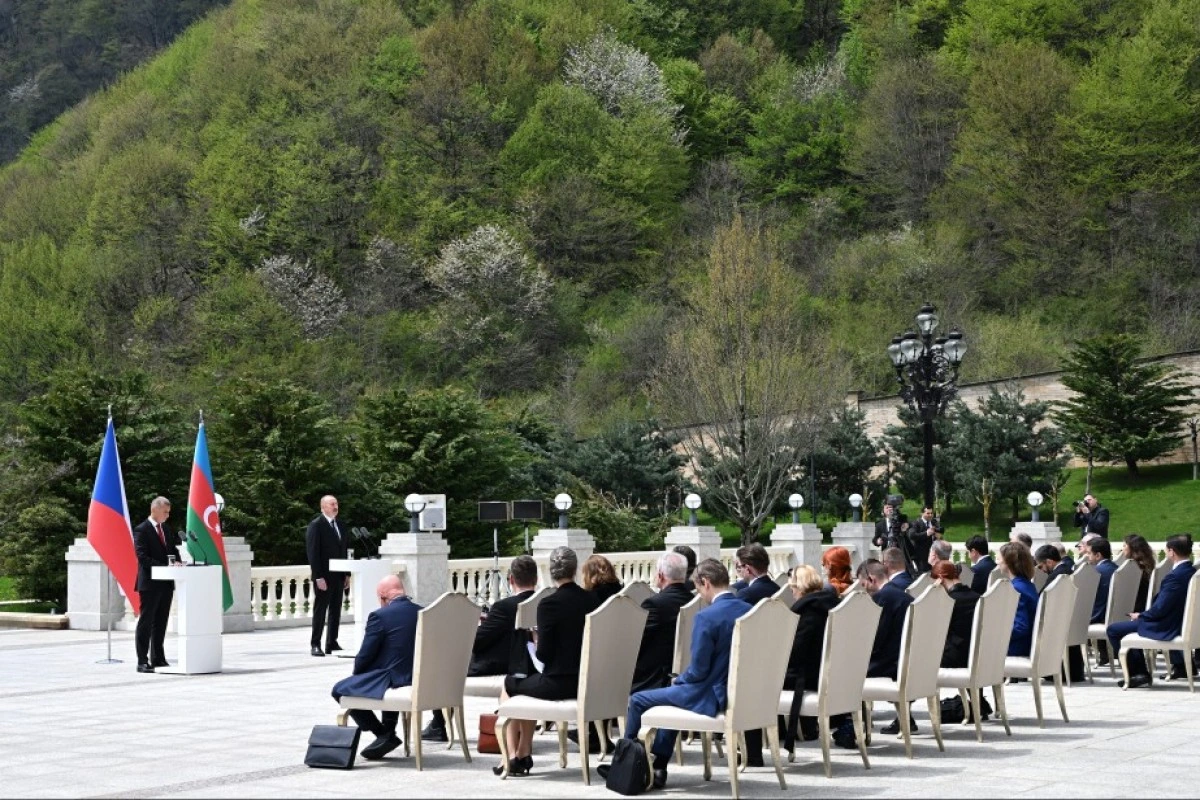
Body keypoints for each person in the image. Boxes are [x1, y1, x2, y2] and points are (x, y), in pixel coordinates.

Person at [602, 559, 751, 790]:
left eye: (699, 588)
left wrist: (680, 679)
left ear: (706, 582)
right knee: (672, 699)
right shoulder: (750, 610)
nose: (699, 594)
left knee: (639, 699)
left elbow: (699, 670)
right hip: (739, 693)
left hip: (709, 694)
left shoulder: (707, 616)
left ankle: (625, 766)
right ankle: (658, 765)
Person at [496, 547, 600, 777]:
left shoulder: (549, 604)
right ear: (575, 569)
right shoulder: (593, 600)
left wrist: (536, 639)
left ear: (551, 572)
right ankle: (523, 753)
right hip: (588, 683)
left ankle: (511, 756)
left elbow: (544, 655)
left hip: (559, 684)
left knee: (510, 683)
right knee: (525, 681)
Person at [422, 555, 539, 742]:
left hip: (503, 665)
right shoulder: (544, 602)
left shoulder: (504, 607)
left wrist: (473, 628)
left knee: (446, 665)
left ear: (511, 579)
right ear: (536, 578)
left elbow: (476, 642)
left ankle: (439, 724)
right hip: (532, 664)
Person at [330, 574, 420, 760]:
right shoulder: (423, 612)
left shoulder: (380, 616)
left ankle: (383, 733)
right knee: (387, 675)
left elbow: (365, 655)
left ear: (382, 597)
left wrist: (358, 676)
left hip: (396, 679)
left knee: (339, 690)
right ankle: (388, 732)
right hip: (421, 678)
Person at [1107, 534, 1196, 688]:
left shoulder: (1175, 576)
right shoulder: (1192, 571)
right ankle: (1172, 667)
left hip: (1167, 625)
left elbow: (1160, 609)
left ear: (1171, 552)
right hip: (1179, 621)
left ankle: (1139, 673)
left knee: (1114, 630)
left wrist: (1141, 615)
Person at [781, 564, 845, 750]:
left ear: (800, 587)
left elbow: (795, 653)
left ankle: (755, 748)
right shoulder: (837, 605)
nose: (792, 592)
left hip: (810, 678)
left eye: (792, 588)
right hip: (836, 674)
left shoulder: (806, 611)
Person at [857, 557, 915, 735]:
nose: (864, 589)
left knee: (846, 671)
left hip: (890, 665)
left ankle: (856, 728)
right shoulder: (906, 596)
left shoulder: (881, 598)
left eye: (863, 584)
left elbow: (876, 639)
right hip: (909, 662)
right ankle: (906, 719)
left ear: (871, 579)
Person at [631, 552, 693, 692]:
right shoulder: (694, 600)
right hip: (687, 672)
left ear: (660, 575)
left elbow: (637, 642)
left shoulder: (654, 604)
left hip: (656, 679)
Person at [133, 497, 179, 673]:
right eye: (165, 512)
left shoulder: (165, 529)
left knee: (161, 622)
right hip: (150, 584)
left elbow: (173, 550)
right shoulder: (141, 530)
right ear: (155, 509)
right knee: (146, 622)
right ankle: (142, 661)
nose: (167, 515)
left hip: (166, 583)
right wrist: (165, 566)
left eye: (169, 512)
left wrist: (177, 562)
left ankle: (158, 658)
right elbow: (142, 557)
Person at [307, 495, 349, 657]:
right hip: (323, 577)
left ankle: (332, 642)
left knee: (335, 610)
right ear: (323, 507)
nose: (335, 506)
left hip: (338, 576)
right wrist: (318, 577)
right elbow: (313, 553)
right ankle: (315, 644)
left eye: (336, 503)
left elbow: (344, 551)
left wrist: (346, 574)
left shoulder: (341, 525)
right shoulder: (316, 525)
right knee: (320, 611)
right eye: (332, 504)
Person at [1081, 538, 1118, 670]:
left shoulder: (1096, 572)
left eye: (1089, 553)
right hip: (1116, 616)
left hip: (1100, 616)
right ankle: (1105, 654)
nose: (1087, 556)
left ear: (1098, 555)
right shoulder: (1117, 569)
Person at [998, 542, 1039, 657]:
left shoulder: (1016, 588)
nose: (997, 562)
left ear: (1008, 561)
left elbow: (1020, 627)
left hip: (1017, 649)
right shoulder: (1028, 585)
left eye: (999, 559)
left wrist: (995, 633)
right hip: (1028, 645)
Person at [872, 496, 911, 569]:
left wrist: (905, 526)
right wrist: (878, 541)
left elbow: (910, 525)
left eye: (891, 507)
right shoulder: (879, 524)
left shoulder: (902, 519)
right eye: (887, 508)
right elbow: (875, 539)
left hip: (900, 550)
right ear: (883, 510)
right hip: (886, 552)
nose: (889, 509)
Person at [1123, 534, 1157, 613]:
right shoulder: (1147, 564)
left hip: (1135, 610)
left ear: (1133, 548)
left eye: (1124, 546)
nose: (1122, 549)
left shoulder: (1133, 568)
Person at [908, 506, 942, 574]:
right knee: (924, 574)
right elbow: (911, 535)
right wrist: (926, 533)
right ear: (922, 513)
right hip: (921, 555)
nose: (930, 515)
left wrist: (938, 536)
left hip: (933, 554)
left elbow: (939, 533)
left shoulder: (933, 521)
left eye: (931, 513)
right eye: (928, 513)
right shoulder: (916, 523)